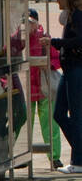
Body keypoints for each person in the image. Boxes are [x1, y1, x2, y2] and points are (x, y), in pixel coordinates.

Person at [15, 10, 62, 168]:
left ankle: (54, 156)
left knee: (49, 123)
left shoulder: (43, 37)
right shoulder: (19, 38)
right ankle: (21, 155)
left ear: (36, 22)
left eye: (30, 22)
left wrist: (47, 60)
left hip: (42, 87)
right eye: (25, 22)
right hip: (27, 86)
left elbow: (56, 58)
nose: (28, 25)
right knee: (24, 122)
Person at [50, 0, 82, 172]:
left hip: (76, 68)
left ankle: (78, 161)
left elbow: (79, 40)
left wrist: (55, 42)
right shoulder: (71, 15)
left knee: (76, 115)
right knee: (59, 113)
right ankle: (80, 152)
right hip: (68, 68)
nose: (56, 0)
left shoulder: (78, 16)